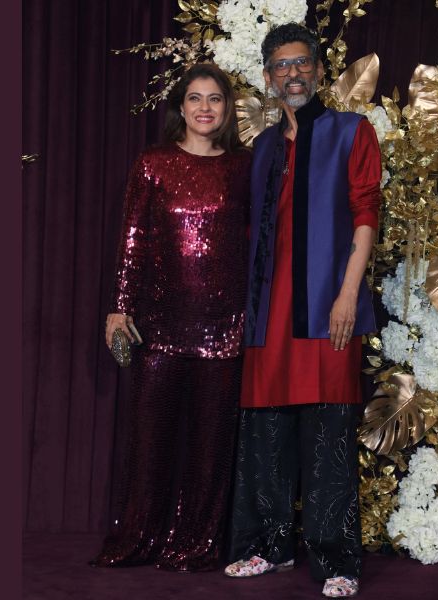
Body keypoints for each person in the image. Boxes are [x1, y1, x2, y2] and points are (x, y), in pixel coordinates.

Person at [224, 24, 381, 598]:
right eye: (281, 66)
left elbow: (366, 213)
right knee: (266, 432)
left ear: (317, 69)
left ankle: (337, 560)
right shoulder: (263, 147)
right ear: (268, 77)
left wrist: (348, 294)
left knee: (327, 435)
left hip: (327, 307)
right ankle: (268, 547)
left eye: (301, 63)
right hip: (268, 312)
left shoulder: (351, 131)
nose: (292, 74)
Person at [90, 62, 251, 572]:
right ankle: (139, 537)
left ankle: (196, 543)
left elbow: (258, 244)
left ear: (227, 108)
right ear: (180, 107)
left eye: (215, 99)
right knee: (151, 441)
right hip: (159, 324)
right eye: (195, 98)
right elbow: (132, 239)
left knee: (211, 446)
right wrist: (120, 307)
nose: (205, 108)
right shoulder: (153, 163)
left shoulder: (243, 168)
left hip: (223, 326)